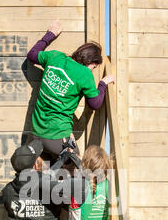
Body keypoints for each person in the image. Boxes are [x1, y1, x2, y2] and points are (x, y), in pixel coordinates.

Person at [26, 19, 114, 155]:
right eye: (94, 67)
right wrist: (103, 84)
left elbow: (32, 55)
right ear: (90, 61)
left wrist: (50, 34)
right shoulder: (84, 74)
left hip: (36, 132)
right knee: (75, 173)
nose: (92, 70)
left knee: (42, 174)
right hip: (58, 136)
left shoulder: (55, 57)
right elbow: (95, 103)